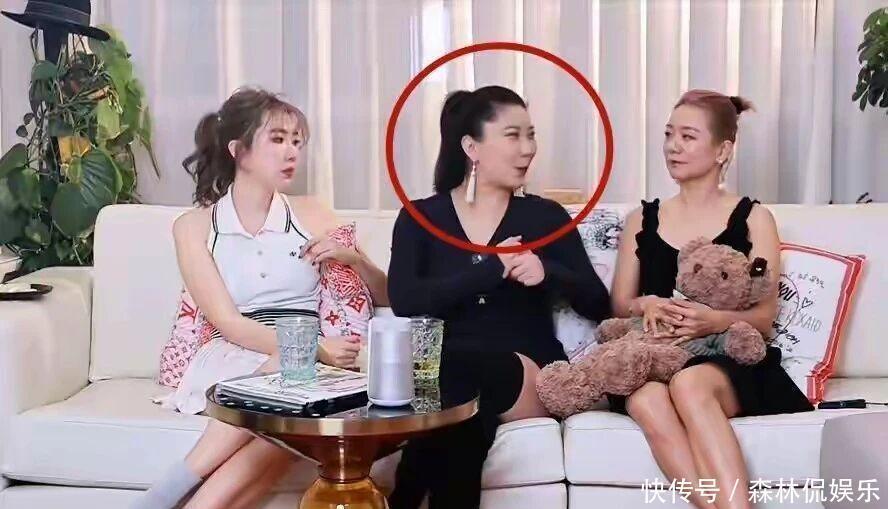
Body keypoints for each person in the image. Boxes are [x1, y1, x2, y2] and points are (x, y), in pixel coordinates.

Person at [134, 87, 389, 509]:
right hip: (234, 353)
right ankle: (166, 493)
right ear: (238, 150)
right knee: (291, 378)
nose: (291, 152)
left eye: (296, 141)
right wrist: (315, 349)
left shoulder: (313, 212)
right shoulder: (194, 226)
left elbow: (388, 295)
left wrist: (352, 259)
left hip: (309, 363)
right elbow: (227, 322)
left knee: (287, 433)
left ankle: (161, 501)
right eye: (277, 139)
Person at [386, 85, 611, 508]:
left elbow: (600, 305)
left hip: (525, 372)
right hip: (446, 378)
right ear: (471, 147)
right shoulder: (420, 217)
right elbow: (406, 299)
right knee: (463, 421)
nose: (528, 149)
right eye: (513, 136)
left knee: (466, 372)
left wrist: (547, 273)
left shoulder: (544, 216)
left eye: (531, 135)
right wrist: (491, 269)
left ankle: (404, 497)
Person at [608, 89, 814, 509]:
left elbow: (764, 316)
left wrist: (714, 320)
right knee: (645, 398)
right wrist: (646, 304)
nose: (673, 146)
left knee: (689, 383)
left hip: (725, 359)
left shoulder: (754, 218)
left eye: (687, 136)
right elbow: (619, 304)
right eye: (669, 134)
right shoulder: (641, 219)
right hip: (656, 356)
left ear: (723, 150)